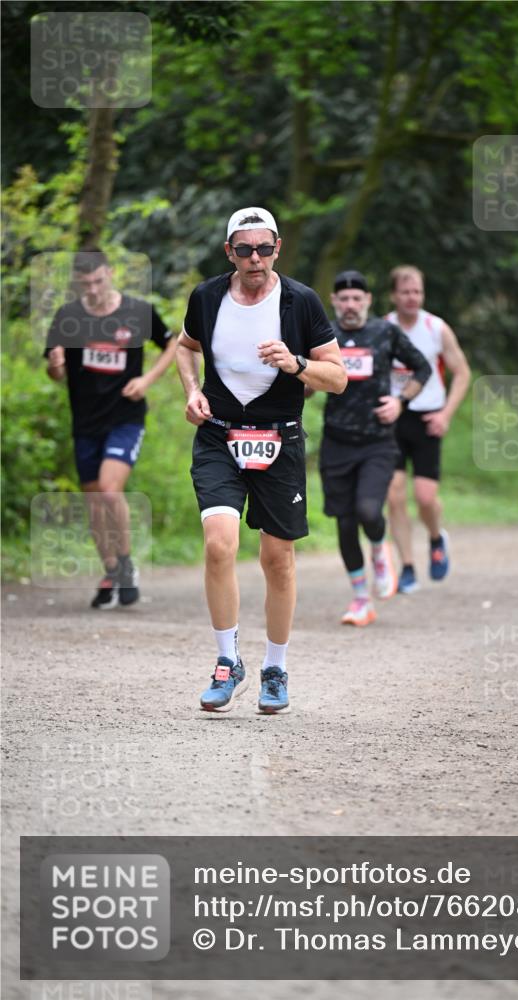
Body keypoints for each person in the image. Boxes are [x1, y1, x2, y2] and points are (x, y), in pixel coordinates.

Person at [176, 207, 346, 715]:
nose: (256, 259)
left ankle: (275, 667)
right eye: (245, 249)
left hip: (281, 439)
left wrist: (295, 364)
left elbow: (336, 377)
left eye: (264, 248)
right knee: (219, 546)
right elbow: (185, 348)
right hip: (219, 436)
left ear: (278, 248)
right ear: (229, 252)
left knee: (279, 562)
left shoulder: (300, 302)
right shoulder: (207, 297)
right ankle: (227, 663)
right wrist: (191, 391)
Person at [45, 249, 176, 609]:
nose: (93, 289)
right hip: (85, 421)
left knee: (108, 490)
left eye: (99, 281)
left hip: (125, 417)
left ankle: (128, 564)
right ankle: (111, 569)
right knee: (93, 504)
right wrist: (56, 364)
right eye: (85, 283)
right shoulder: (68, 316)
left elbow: (173, 344)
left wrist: (147, 380)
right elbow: (55, 372)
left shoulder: (137, 312)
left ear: (111, 273)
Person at [317, 269, 431, 627]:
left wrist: (400, 402)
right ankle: (360, 600)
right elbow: (306, 381)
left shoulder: (385, 332)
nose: (350, 305)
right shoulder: (325, 336)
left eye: (357, 298)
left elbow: (422, 368)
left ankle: (381, 550)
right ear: (334, 302)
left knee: (368, 510)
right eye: (344, 299)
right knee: (345, 524)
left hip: (377, 442)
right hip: (336, 442)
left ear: (367, 301)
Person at [385, 265, 470, 593]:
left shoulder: (437, 328)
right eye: (405, 292)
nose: (412, 298)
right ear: (394, 295)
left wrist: (446, 413)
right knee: (394, 496)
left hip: (428, 418)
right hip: (394, 418)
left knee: (424, 498)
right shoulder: (383, 328)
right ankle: (407, 566)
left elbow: (462, 372)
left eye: (417, 291)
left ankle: (436, 537)